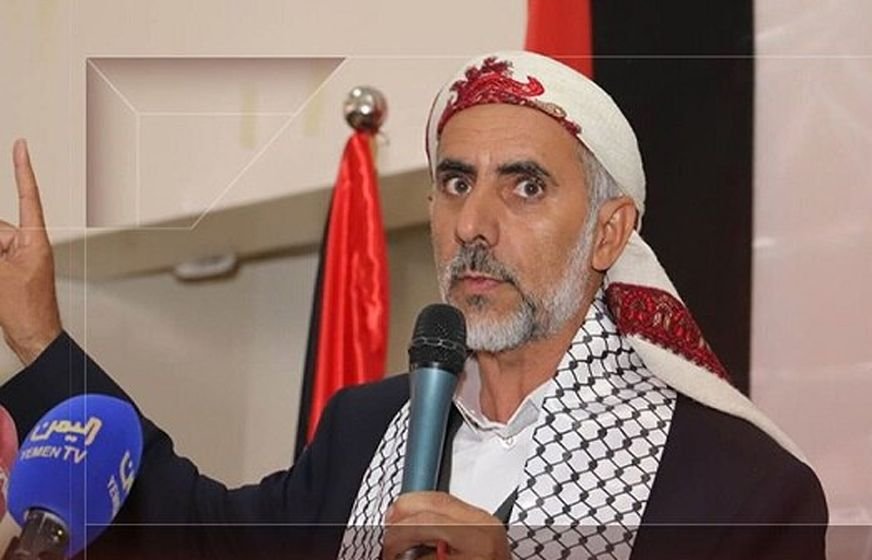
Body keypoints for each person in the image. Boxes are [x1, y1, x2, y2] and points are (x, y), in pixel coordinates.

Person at [0, 51, 827, 559]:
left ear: (608, 232)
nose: (473, 224)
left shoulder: (741, 491)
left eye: (524, 187)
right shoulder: (365, 430)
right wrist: (38, 332)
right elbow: (195, 537)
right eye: (455, 182)